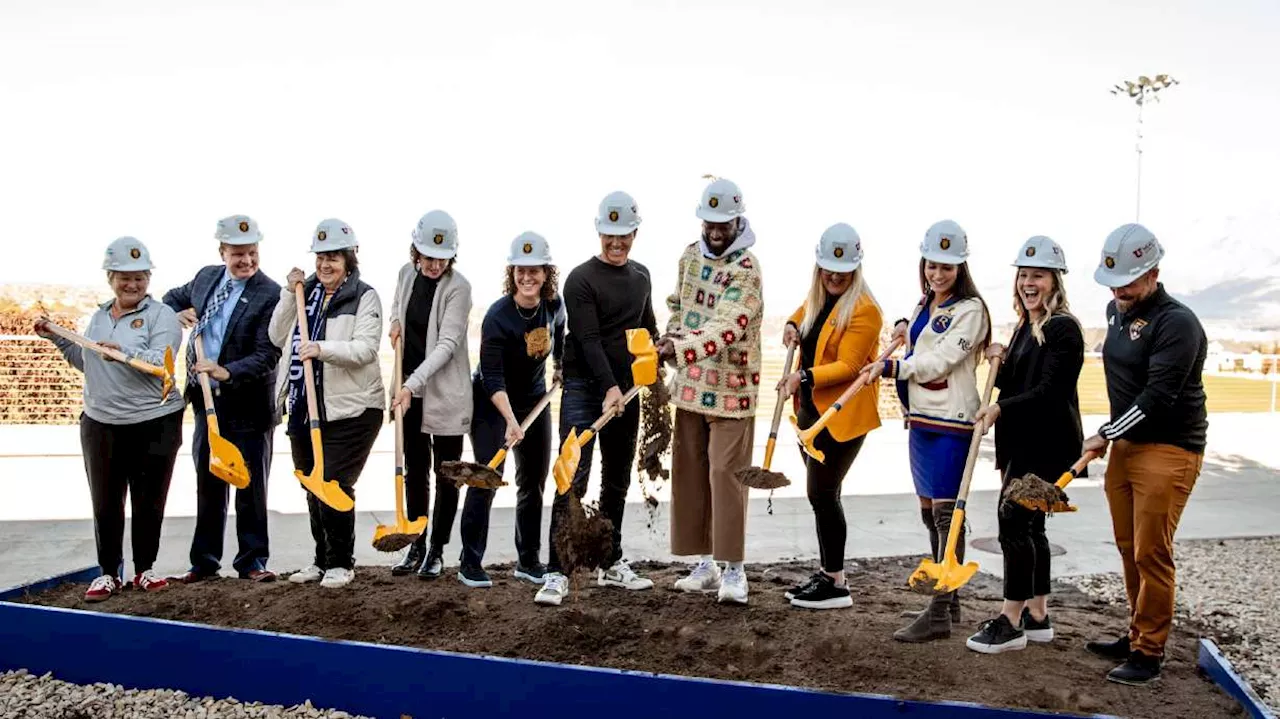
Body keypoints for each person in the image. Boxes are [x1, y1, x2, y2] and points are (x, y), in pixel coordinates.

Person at [1081, 223, 1208, 686]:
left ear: (1154, 273)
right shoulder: (1116, 311)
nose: (1119, 290)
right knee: (1127, 547)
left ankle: (1149, 652)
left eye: (1129, 282)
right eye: (1113, 282)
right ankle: (1135, 632)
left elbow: (1158, 397)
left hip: (1171, 448)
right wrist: (1113, 437)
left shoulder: (1178, 323)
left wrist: (1102, 434)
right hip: (1126, 446)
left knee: (1152, 551)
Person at [861, 219, 992, 643]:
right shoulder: (926, 303)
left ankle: (937, 610)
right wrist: (903, 323)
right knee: (928, 514)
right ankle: (948, 596)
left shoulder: (971, 311)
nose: (937, 274)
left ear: (961, 268)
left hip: (952, 422)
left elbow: (937, 361)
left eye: (947, 267)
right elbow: (918, 335)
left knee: (946, 516)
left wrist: (893, 367)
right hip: (921, 421)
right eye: (932, 265)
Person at [36, 237, 185, 602]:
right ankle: (108, 574)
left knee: (149, 499)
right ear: (110, 278)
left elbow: (159, 363)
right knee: (105, 501)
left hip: (153, 421)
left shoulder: (161, 315)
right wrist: (57, 337)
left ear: (149, 278)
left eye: (139, 277)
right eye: (124, 277)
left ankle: (145, 570)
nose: (132, 284)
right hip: (101, 422)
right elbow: (89, 361)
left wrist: (124, 352)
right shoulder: (99, 316)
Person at [536, 190, 660, 606]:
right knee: (572, 476)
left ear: (635, 233)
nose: (617, 242)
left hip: (627, 390)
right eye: (610, 234)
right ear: (599, 231)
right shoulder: (580, 279)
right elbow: (589, 341)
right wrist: (607, 388)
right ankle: (556, 570)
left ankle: (611, 561)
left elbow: (647, 329)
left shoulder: (641, 276)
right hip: (587, 389)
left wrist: (662, 352)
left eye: (624, 234)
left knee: (617, 480)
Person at [965, 236, 1084, 653]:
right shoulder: (1023, 327)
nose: (1028, 283)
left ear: (1055, 281)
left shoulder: (1063, 328)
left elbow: (1050, 392)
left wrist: (999, 409)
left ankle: (1010, 621)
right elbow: (1017, 380)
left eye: (1038, 276)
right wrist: (996, 359)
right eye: (1023, 275)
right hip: (1022, 442)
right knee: (1031, 527)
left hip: (1045, 445)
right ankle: (1037, 615)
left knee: (1012, 525)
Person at [657, 178, 763, 605]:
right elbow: (679, 308)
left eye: (725, 223)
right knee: (692, 475)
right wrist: (669, 337)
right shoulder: (688, 257)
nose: (716, 231)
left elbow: (728, 324)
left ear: (739, 220)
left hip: (732, 391)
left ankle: (734, 569)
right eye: (710, 223)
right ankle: (704, 563)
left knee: (726, 475)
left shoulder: (747, 270)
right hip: (689, 388)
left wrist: (679, 349)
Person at [163, 215, 282, 584]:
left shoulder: (270, 293)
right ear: (222, 252)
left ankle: (252, 561)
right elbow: (169, 298)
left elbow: (268, 353)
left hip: (247, 403)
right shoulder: (205, 278)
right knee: (209, 482)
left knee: (250, 485)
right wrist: (176, 311)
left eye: (252, 253)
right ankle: (204, 562)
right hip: (206, 402)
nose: (246, 261)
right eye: (238, 254)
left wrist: (226, 371)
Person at [270, 219, 385, 590]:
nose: (326, 264)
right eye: (321, 256)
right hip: (305, 404)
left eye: (334, 256)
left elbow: (365, 349)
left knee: (333, 481)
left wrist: (322, 350)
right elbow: (276, 334)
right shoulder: (307, 294)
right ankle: (320, 560)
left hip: (353, 409)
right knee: (311, 483)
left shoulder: (364, 297)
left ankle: (341, 563)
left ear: (349, 258)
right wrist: (290, 293)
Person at [776, 223, 883, 610]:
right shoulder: (819, 298)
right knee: (823, 495)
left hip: (841, 417)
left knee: (821, 493)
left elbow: (849, 365)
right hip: (809, 411)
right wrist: (790, 325)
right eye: (827, 268)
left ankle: (836, 583)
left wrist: (801, 376)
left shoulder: (865, 310)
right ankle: (827, 573)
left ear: (856, 268)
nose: (834, 275)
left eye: (842, 269)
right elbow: (803, 315)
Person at [456, 232, 565, 588]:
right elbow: (491, 376)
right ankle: (469, 561)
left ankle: (528, 560)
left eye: (535, 270)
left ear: (547, 273)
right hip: (491, 402)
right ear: (512, 272)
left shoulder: (553, 306)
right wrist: (510, 421)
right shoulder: (498, 317)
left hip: (534, 399)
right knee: (485, 476)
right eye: (521, 270)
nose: (527, 277)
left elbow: (561, 335)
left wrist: (561, 366)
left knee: (532, 480)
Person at [388, 210, 474, 580]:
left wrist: (411, 385)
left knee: (447, 474)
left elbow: (446, 344)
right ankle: (416, 544)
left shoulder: (460, 287)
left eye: (442, 257)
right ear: (416, 252)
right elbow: (397, 305)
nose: (435, 263)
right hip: (409, 390)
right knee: (415, 472)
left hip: (445, 394)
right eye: (428, 256)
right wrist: (394, 322)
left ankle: (437, 549)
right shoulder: (406, 274)